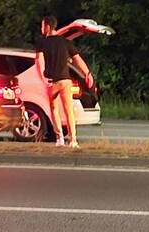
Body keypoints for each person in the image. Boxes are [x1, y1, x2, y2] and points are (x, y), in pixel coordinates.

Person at [34, 16, 95, 148]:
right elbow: (78, 59)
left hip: (51, 81)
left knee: (54, 109)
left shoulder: (42, 43)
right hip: (66, 80)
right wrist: (87, 73)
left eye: (42, 26)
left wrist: (42, 77)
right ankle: (73, 140)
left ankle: (59, 138)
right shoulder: (66, 42)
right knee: (69, 110)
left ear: (48, 27)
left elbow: (39, 61)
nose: (41, 29)